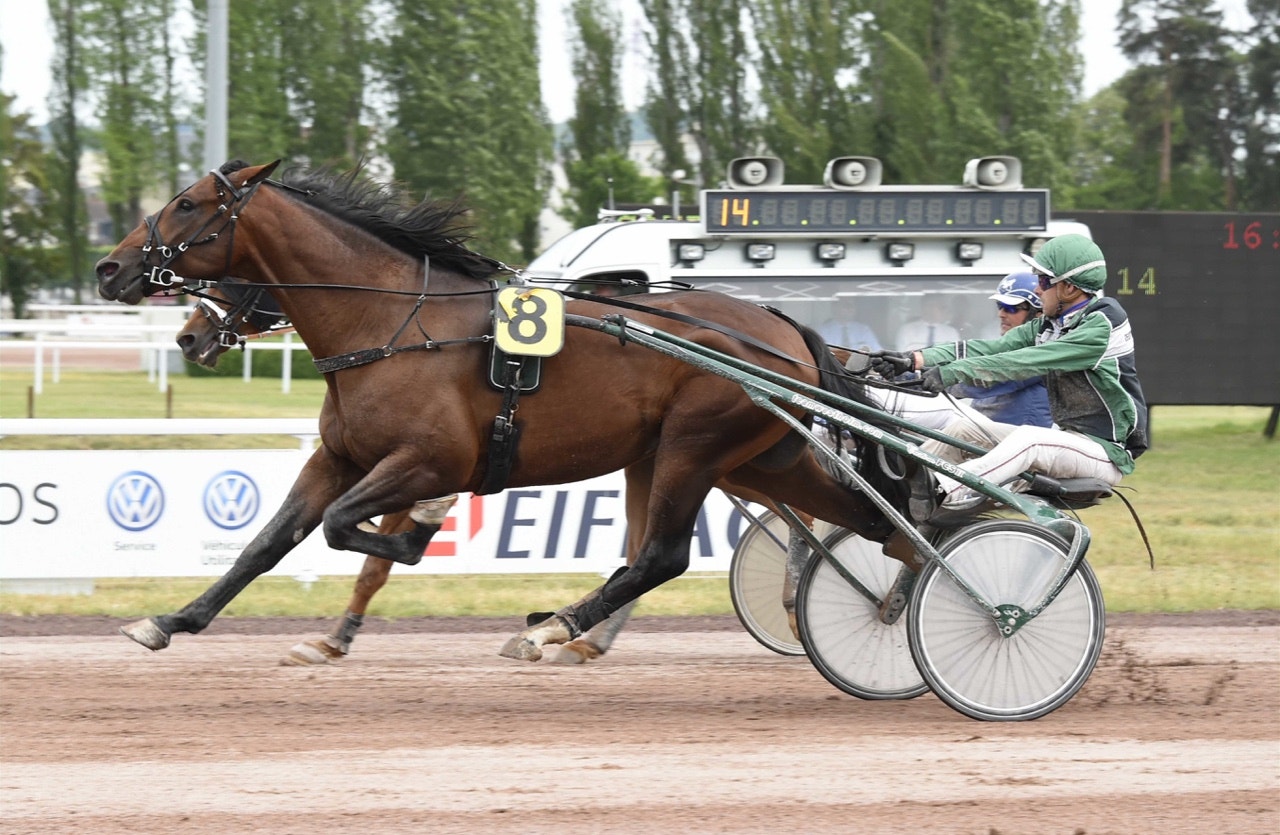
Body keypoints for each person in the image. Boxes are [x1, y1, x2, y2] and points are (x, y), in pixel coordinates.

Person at [871, 234, 1148, 523]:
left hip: (1104, 453)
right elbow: (990, 347)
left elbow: (1023, 362)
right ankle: (900, 486)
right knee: (964, 428)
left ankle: (945, 490)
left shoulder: (1101, 325)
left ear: (1068, 288)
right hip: (1067, 440)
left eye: (1042, 281)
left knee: (1030, 439)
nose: (1038, 291)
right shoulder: (1049, 324)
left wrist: (953, 371)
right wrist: (916, 358)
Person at [947, 272, 1051, 428]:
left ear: (1038, 314)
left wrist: (930, 378)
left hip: (1016, 444)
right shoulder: (1007, 348)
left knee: (957, 430)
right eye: (1000, 306)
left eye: (1011, 308)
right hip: (984, 439)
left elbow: (978, 381)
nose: (1001, 314)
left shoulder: (1039, 355)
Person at [895, 294, 959, 351]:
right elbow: (902, 356)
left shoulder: (951, 332)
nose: (943, 310)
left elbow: (956, 358)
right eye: (931, 305)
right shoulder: (908, 330)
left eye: (942, 307)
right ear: (924, 307)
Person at [818, 296, 882, 352]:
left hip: (859, 365)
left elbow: (877, 351)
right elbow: (821, 353)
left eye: (852, 306)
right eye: (846, 305)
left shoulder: (863, 330)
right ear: (835, 307)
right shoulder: (825, 330)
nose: (850, 309)